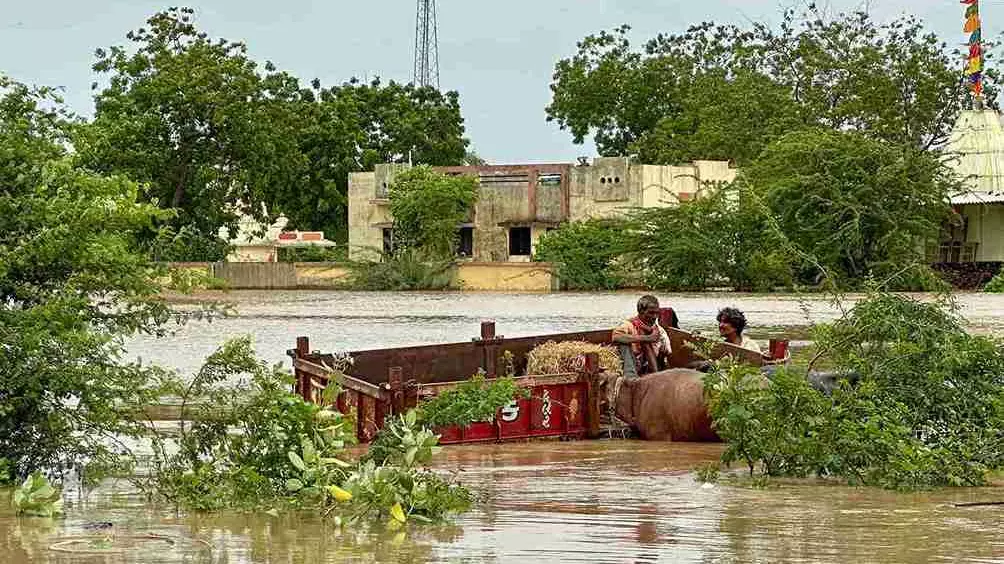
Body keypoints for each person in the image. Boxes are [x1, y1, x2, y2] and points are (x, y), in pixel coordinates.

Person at [612, 295, 671, 377]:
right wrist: (647, 338)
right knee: (624, 344)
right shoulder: (629, 325)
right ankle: (630, 377)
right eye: (651, 313)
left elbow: (665, 354)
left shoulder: (660, 331)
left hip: (649, 370)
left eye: (656, 313)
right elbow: (616, 337)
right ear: (641, 311)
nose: (654, 317)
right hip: (632, 365)